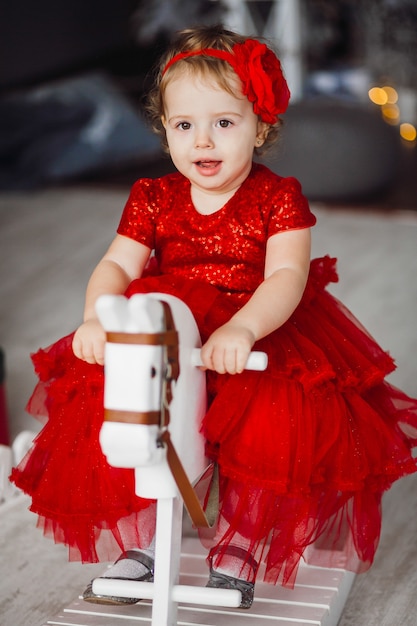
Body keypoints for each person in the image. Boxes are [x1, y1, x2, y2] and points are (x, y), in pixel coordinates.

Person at [11, 24, 417, 610]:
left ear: (262, 126)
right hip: (173, 320)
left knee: (273, 420)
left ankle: (242, 543)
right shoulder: (152, 195)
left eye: (224, 123)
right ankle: (147, 542)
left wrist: (244, 327)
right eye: (184, 125)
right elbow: (116, 265)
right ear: (165, 129)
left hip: (255, 323)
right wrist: (99, 316)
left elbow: (285, 277)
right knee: (124, 408)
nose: (203, 140)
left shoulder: (279, 197)